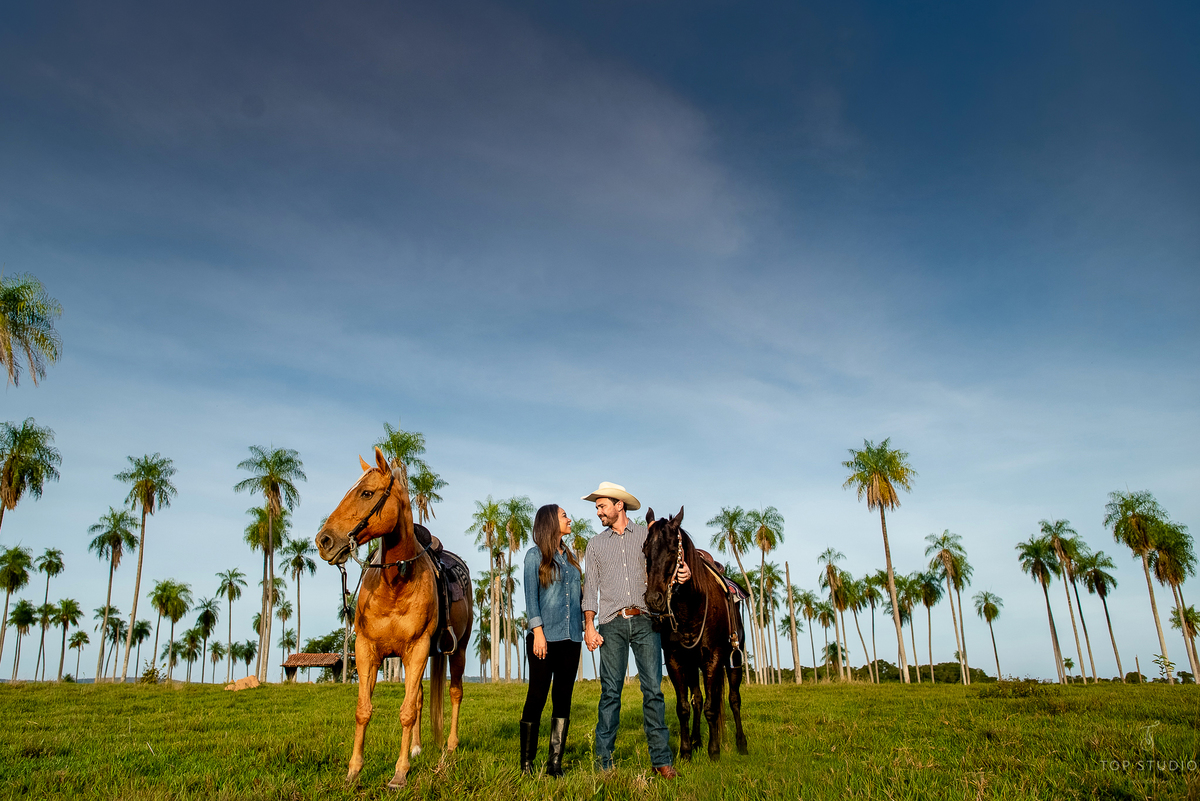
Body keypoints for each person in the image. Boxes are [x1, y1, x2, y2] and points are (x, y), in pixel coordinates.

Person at [581, 481, 689, 779]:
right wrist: (589, 625)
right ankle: (604, 764)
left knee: (653, 691)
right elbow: (590, 589)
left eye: (602, 506)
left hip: (645, 621)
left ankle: (661, 761)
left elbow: (669, 558)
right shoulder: (595, 545)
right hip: (611, 623)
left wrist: (685, 571)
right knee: (610, 694)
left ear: (619, 505)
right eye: (597, 507)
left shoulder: (646, 535)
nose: (598, 511)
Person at [520, 504, 584, 777]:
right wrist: (538, 632)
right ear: (550, 522)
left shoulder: (571, 558)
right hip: (544, 639)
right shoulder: (534, 556)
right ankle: (526, 765)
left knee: (563, 698)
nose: (569, 519)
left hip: (572, 638)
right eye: (564, 515)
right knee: (537, 697)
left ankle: (554, 765)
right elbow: (531, 597)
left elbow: (578, 598)